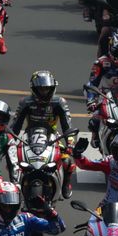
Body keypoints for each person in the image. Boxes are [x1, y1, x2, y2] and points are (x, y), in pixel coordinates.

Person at [10, 71, 76, 199]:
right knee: (13, 160)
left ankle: (66, 185)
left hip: (53, 136)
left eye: (47, 89)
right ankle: (15, 185)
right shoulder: (25, 102)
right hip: (28, 136)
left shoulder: (60, 102)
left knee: (68, 160)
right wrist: (10, 140)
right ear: (34, 89)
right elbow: (16, 125)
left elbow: (67, 124)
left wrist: (70, 143)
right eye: (41, 89)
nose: (44, 92)